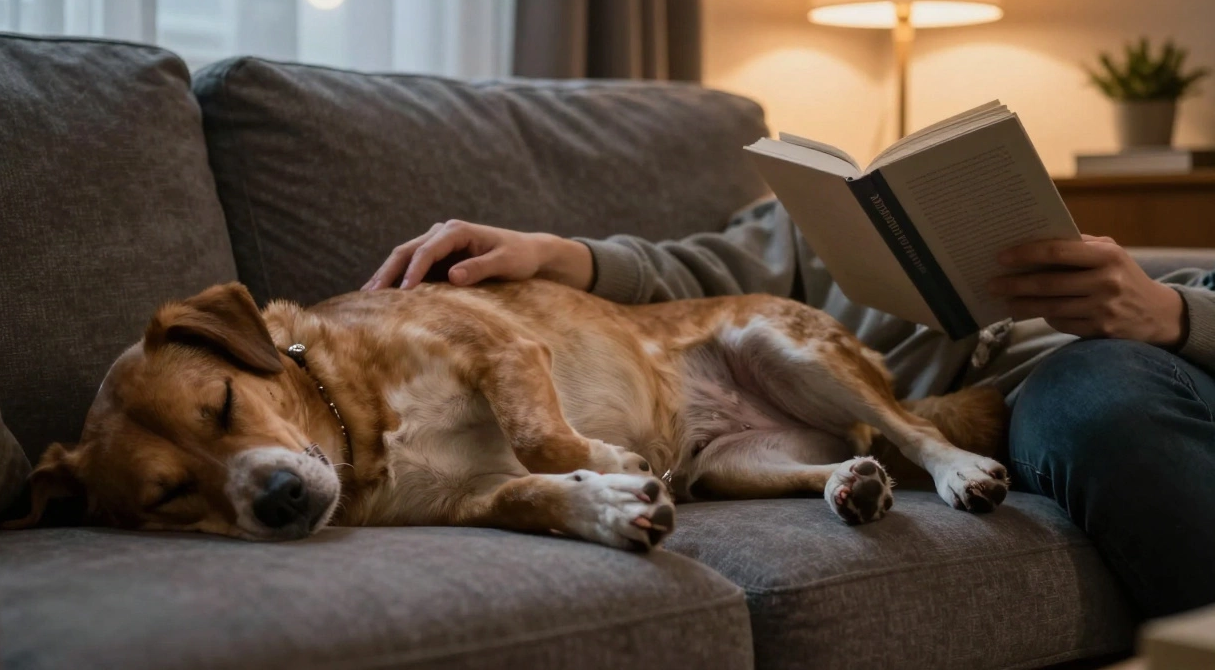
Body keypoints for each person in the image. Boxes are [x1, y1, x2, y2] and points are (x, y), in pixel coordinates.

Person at [363, 200, 1215, 620]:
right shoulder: (813, 226)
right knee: (1080, 404)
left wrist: (1172, 316)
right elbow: (692, 285)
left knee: (1091, 392)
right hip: (982, 405)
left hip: (1153, 350)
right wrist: (557, 255)